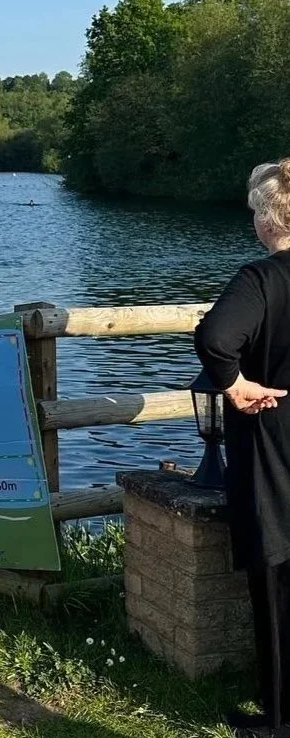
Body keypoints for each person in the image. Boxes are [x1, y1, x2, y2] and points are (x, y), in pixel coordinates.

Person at [194, 158, 290, 736]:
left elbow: (214, 338)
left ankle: (279, 720)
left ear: (264, 216)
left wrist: (234, 385)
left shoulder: (261, 279)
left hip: (276, 439)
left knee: (278, 580)